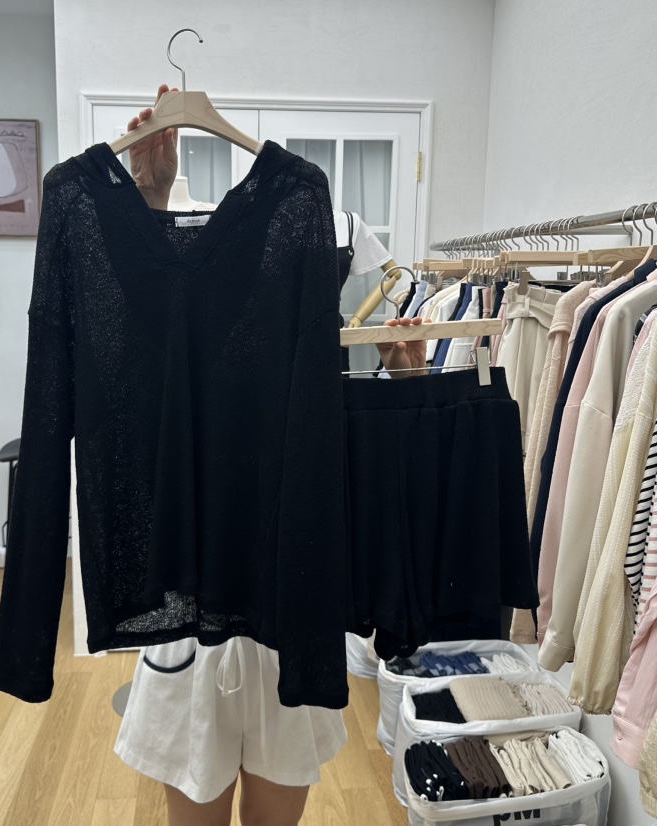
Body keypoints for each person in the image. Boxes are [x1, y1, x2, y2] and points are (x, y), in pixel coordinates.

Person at [115, 85, 428, 826]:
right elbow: (126, 374)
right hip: (191, 608)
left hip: (295, 606)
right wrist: (149, 200)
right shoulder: (162, 284)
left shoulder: (328, 275)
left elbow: (384, 432)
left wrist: (406, 382)